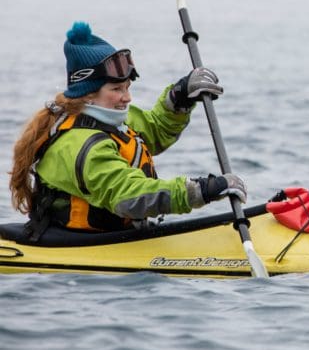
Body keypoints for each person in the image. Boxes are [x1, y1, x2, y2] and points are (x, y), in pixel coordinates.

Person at [8, 21, 246, 239]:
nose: (127, 97)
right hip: (84, 251)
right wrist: (201, 190)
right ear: (88, 93)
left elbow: (154, 131)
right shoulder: (81, 145)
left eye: (127, 87)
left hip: (120, 236)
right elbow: (129, 195)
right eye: (117, 89)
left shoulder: (111, 119)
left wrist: (180, 96)